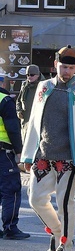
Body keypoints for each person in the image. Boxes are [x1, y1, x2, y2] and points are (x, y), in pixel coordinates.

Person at [21, 46, 75, 251]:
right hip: (44, 154)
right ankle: (58, 234)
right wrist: (28, 154)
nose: (67, 71)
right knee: (35, 199)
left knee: (65, 203)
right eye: (63, 66)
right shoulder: (43, 87)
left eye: (71, 67)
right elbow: (34, 122)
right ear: (55, 64)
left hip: (70, 157)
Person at [0, 73, 30, 240]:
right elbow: (12, 129)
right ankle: (10, 228)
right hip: (4, 153)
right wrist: (20, 151)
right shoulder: (4, 100)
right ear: (2, 83)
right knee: (11, 190)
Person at [17, 64, 44, 141]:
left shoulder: (44, 86)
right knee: (25, 143)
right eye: (27, 75)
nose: (29, 77)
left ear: (38, 75)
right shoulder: (25, 85)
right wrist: (19, 110)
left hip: (38, 121)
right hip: (25, 120)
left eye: (32, 75)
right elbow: (18, 100)